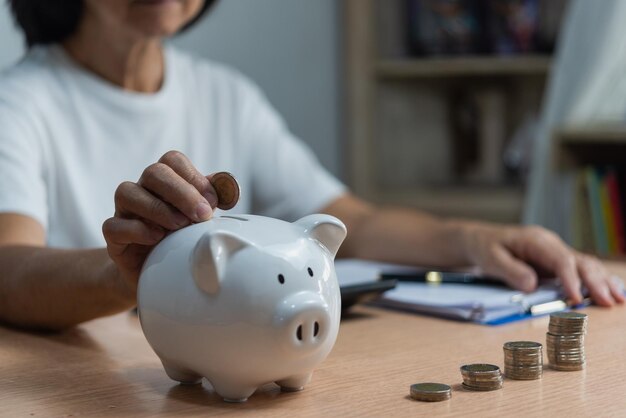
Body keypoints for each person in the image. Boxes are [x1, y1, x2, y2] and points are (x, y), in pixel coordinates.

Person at [0, 0, 622, 331]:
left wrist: (476, 240)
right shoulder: (19, 103)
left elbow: (347, 220)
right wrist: (126, 279)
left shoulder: (226, 94)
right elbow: (8, 267)